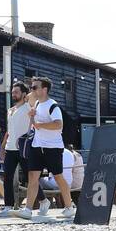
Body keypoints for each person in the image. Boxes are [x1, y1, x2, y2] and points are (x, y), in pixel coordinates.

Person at [20, 78, 74, 219]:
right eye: (31, 87)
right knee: (32, 177)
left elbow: (58, 124)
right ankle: (27, 209)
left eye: (34, 87)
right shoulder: (37, 103)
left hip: (53, 147)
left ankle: (69, 207)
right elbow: (35, 124)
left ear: (44, 89)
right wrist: (32, 117)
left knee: (58, 177)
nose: (32, 90)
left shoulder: (53, 106)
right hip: (37, 145)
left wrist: (41, 125)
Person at [0, 82, 30, 216]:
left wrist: (27, 96)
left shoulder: (29, 107)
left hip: (23, 147)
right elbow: (9, 130)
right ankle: (8, 206)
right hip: (10, 148)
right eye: (12, 92)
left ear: (23, 93)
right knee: (7, 177)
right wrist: (2, 147)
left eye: (16, 92)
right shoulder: (10, 110)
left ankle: (43, 200)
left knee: (30, 176)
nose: (13, 94)